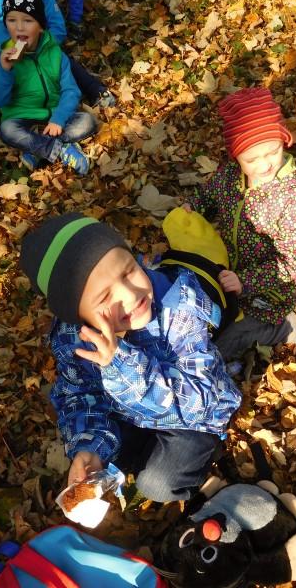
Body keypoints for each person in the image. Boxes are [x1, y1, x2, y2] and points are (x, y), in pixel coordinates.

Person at [19, 213, 242, 503]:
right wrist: (89, 447)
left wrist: (121, 366)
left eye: (129, 272)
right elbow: (79, 394)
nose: (130, 294)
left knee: (158, 484)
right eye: (104, 298)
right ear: (77, 316)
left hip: (191, 420)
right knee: (107, 455)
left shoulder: (178, 308)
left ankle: (202, 466)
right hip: (130, 410)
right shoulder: (73, 337)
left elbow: (204, 401)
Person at [185, 87, 296, 361]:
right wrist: (192, 208)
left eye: (273, 151)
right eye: (251, 159)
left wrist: (245, 282)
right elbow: (209, 194)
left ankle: (291, 324)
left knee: (225, 345)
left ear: (283, 140)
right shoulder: (230, 175)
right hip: (229, 270)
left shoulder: (295, 197)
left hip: (271, 291)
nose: (265, 165)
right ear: (235, 156)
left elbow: (291, 261)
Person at [0, 0, 96, 173]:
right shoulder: (2, 58)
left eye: (28, 21)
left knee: (87, 121)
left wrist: (59, 119)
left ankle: (37, 149)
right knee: (7, 130)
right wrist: (5, 70)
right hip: (22, 119)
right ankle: (58, 149)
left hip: (55, 117)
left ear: (41, 26)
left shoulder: (55, 53)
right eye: (12, 20)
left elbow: (71, 90)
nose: (19, 27)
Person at [0, 0, 114, 107]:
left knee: (64, 61)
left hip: (40, 46)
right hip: (10, 51)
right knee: (0, 70)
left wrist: (44, 43)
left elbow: (57, 27)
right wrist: (6, 44)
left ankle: (95, 90)